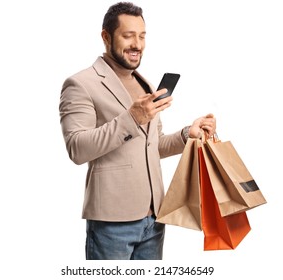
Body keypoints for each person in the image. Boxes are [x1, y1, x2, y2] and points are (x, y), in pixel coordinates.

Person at [59, 2, 216, 260]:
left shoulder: (145, 84)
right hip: (112, 222)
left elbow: (154, 145)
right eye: (128, 35)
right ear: (106, 37)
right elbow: (77, 148)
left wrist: (189, 133)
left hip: (154, 218)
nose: (137, 44)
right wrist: (132, 118)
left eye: (142, 36)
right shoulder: (80, 84)